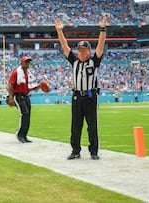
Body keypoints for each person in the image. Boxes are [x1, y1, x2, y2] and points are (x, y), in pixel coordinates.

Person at [55, 15, 107, 160]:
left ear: (89, 51)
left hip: (90, 96)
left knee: (92, 126)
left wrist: (102, 29)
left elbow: (101, 46)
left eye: (84, 50)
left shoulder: (94, 61)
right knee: (75, 126)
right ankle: (75, 150)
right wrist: (59, 31)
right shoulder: (75, 62)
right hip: (77, 96)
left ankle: (94, 151)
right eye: (79, 50)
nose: (81, 52)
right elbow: (64, 46)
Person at [8, 56, 40, 143]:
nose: (27, 64)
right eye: (26, 62)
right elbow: (10, 85)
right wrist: (10, 97)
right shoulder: (16, 73)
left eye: (28, 62)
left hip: (26, 95)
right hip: (18, 95)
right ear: (21, 63)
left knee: (28, 115)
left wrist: (36, 87)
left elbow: (28, 88)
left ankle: (24, 136)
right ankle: (20, 135)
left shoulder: (28, 74)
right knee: (24, 114)